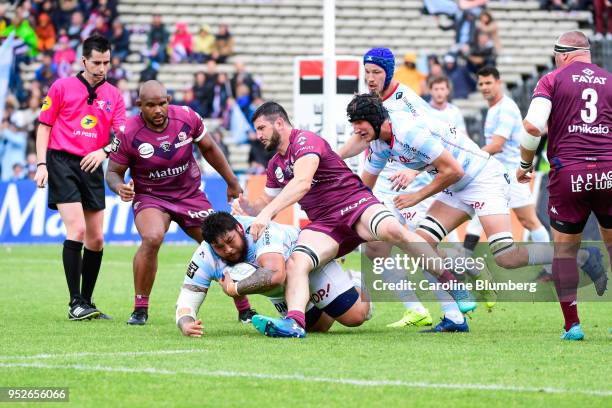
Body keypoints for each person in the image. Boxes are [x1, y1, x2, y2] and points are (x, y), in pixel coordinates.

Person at [343, 93, 606, 319]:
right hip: (456, 185)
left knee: (506, 257)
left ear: (376, 120)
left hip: (483, 178)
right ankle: (467, 277)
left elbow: (453, 170)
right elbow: (365, 188)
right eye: (353, 125)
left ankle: (583, 256)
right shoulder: (377, 144)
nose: (356, 130)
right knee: (420, 245)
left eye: (359, 124)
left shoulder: (408, 131)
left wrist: (416, 196)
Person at [232, 101, 474, 338]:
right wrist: (248, 208)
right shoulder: (276, 164)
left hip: (355, 203)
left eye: (262, 128)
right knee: (298, 261)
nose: (258, 135)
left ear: (280, 123)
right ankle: (294, 323)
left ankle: (452, 283)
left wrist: (265, 214)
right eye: (256, 130)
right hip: (325, 224)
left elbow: (302, 182)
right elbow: (264, 201)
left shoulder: (305, 140)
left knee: (394, 231)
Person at [339, 48, 471, 332]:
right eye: (367, 72)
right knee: (374, 248)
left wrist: (415, 172)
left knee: (421, 245)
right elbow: (359, 141)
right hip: (386, 179)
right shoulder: (371, 104)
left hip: (416, 181)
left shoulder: (406, 103)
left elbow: (431, 145)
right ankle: (417, 309)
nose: (371, 78)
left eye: (376, 72)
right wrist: (331, 162)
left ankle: (458, 303)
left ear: (389, 72)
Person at [105, 80, 246, 325]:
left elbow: (210, 149)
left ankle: (244, 307)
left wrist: (231, 181)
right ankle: (140, 308)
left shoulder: (187, 118)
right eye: (151, 105)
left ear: (168, 101)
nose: (158, 110)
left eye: (162, 104)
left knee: (220, 241)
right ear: (140, 106)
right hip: (151, 196)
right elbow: (113, 172)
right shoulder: (128, 132)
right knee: (152, 238)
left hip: (189, 194)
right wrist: (120, 187)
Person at [518, 31, 611, 341]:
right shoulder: (609, 80)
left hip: (570, 173)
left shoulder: (553, 79)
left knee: (565, 252)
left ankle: (573, 325)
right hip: (608, 172)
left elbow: (532, 125)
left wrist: (525, 164)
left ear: (562, 54)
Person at [34, 35, 126, 320]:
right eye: (96, 62)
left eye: (106, 62)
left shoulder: (114, 95)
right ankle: (75, 302)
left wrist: (104, 152)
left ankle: (86, 302)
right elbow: (44, 127)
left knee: (97, 239)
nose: (101, 68)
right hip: (61, 162)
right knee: (77, 230)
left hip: (92, 165)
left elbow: (122, 136)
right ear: (84, 60)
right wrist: (41, 164)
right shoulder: (62, 87)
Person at [176, 212, 371, 337]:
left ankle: (354, 280)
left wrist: (234, 288)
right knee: (315, 328)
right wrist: (186, 323)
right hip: (278, 290)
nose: (227, 250)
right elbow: (188, 295)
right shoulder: (204, 256)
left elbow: (275, 274)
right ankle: (322, 299)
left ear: (239, 229)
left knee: (355, 317)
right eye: (219, 247)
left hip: (305, 266)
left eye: (230, 241)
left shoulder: (260, 230)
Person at [462, 67, 552, 275]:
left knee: (529, 221)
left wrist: (469, 157)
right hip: (495, 174)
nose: (484, 87)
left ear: (498, 82)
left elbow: (497, 145)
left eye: (488, 83)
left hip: (512, 174)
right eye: (481, 84)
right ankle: (463, 264)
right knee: (479, 213)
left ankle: (551, 268)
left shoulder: (506, 108)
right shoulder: (494, 109)